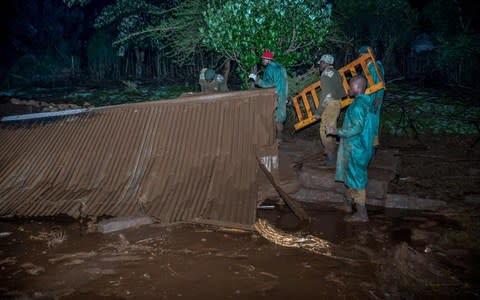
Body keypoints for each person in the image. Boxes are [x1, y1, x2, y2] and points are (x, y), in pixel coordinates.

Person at [326, 76, 374, 222]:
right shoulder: (365, 102)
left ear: (358, 88)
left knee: (356, 180)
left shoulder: (358, 106)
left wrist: (337, 131)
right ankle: (347, 205)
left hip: (356, 147)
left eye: (351, 86)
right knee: (351, 176)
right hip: (359, 145)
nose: (348, 89)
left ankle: (362, 213)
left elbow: (357, 128)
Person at [315, 54, 347, 166]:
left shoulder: (325, 75)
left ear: (326, 63)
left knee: (324, 130)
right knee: (331, 128)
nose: (320, 65)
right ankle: (332, 153)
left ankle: (330, 155)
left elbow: (327, 95)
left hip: (330, 104)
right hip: (337, 103)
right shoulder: (337, 73)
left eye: (321, 63)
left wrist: (319, 112)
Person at [249, 51, 288, 139]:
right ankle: (279, 137)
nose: (262, 60)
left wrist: (257, 81)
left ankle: (269, 138)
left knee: (268, 116)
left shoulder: (270, 69)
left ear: (268, 59)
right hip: (282, 95)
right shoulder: (281, 67)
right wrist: (285, 96)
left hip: (274, 96)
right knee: (280, 118)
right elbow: (286, 82)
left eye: (263, 59)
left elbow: (270, 84)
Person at [359, 46, 385, 148]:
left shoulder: (376, 66)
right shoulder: (367, 67)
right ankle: (367, 144)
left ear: (367, 56)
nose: (360, 58)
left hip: (373, 99)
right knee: (366, 121)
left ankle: (372, 145)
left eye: (361, 55)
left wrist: (378, 98)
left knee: (372, 120)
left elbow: (380, 84)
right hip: (367, 99)